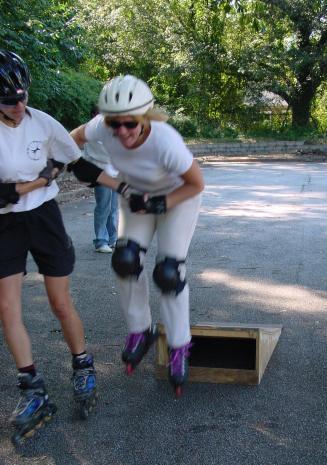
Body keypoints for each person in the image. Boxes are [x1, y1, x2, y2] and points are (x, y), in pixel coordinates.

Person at [69, 75, 204, 397]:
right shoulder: (104, 126)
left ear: (144, 117)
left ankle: (178, 344)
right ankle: (139, 330)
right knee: (125, 260)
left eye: (130, 123)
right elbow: (68, 141)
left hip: (177, 198)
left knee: (169, 272)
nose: (122, 131)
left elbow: (196, 183)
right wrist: (105, 179)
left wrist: (160, 202)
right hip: (134, 197)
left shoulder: (165, 140)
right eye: (115, 124)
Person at [0, 50, 97, 443]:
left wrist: (124, 187)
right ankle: (33, 388)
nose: (20, 106)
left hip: (44, 218)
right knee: (7, 308)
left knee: (60, 302)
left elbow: (77, 162)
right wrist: (38, 180)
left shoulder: (41, 121)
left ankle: (83, 365)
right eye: (9, 101)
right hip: (5, 223)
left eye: (23, 96)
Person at [83, 105, 118, 253]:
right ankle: (101, 241)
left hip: (115, 174)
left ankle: (112, 239)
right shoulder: (91, 131)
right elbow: (104, 152)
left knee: (114, 208)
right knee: (103, 207)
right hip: (100, 174)